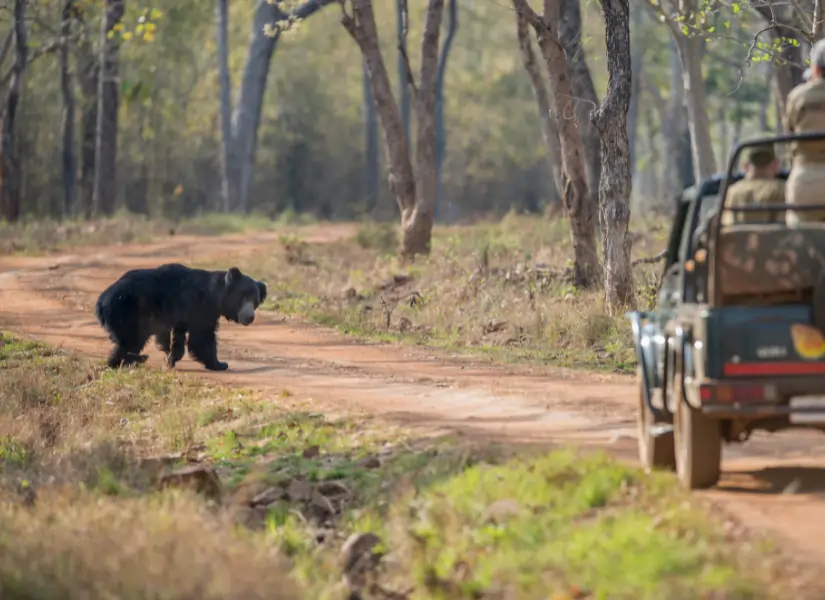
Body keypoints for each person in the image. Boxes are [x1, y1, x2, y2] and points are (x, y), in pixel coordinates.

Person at [784, 38, 825, 224]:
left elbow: (789, 134)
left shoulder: (798, 96)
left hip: (805, 183)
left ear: (815, 69)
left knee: (802, 244)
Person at [720, 143, 785, 226]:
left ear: (745, 166)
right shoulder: (782, 189)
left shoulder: (732, 191)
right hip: (771, 238)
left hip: (738, 238)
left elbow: (725, 228)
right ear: (775, 165)